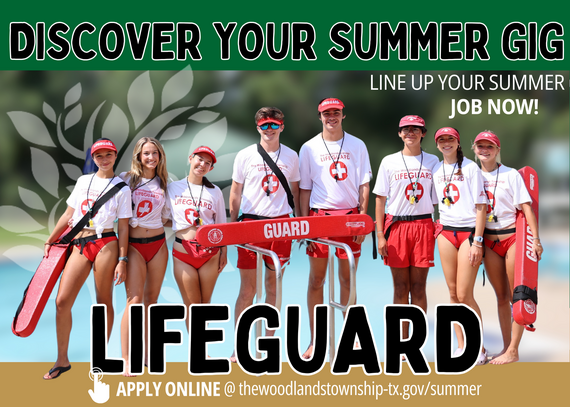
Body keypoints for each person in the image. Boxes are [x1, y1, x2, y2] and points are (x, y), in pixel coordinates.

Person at [43, 138, 132, 380]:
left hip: (106, 244)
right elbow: (68, 213)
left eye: (108, 155)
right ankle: (62, 360)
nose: (104, 159)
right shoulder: (83, 181)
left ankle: (99, 358)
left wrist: (123, 259)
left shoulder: (122, 188)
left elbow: (123, 227)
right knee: (62, 302)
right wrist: (51, 239)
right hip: (79, 243)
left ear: (115, 156)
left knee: (103, 302)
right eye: (99, 156)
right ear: (93, 159)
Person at [299, 98, 372, 359]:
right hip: (319, 218)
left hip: (350, 218)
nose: (331, 117)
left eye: (336, 113)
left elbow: (364, 185)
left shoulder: (357, 144)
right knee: (317, 280)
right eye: (326, 113)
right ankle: (315, 340)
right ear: (319, 116)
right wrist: (303, 224)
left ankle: (349, 337)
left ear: (343, 115)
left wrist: (363, 220)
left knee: (347, 279)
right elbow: (304, 189)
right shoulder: (308, 147)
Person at [229, 107, 300, 361]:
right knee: (247, 290)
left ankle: (267, 344)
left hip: (281, 226)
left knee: (273, 286)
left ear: (282, 126)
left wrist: (300, 225)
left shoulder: (292, 156)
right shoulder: (245, 155)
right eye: (264, 125)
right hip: (250, 225)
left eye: (274, 125)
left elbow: (296, 192)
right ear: (257, 127)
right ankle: (240, 347)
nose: (269, 130)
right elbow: (235, 192)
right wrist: (231, 225)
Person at [472, 131, 543, 365]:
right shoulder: (472, 176)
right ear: (474, 149)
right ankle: (505, 347)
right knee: (501, 296)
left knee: (516, 296)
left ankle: (514, 350)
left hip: (512, 238)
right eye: (480, 146)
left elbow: (526, 208)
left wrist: (536, 239)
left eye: (489, 146)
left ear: (497, 149)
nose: (485, 149)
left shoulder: (510, 175)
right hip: (490, 242)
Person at [373, 115, 438, 346]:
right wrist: (380, 234)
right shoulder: (389, 161)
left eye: (416, 129)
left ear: (423, 133)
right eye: (406, 129)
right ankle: (400, 340)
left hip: (423, 226)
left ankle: (416, 341)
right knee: (400, 287)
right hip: (397, 227)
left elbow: (446, 194)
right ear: (399, 133)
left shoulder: (433, 162)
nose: (411, 132)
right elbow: (380, 200)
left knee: (419, 287)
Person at [432, 127, 488, 365]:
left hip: (468, 234)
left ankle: (480, 347)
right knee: (453, 294)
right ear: (436, 144)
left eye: (450, 139)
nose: (446, 143)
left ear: (457, 142)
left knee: (465, 294)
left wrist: (478, 241)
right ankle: (462, 345)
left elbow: (481, 206)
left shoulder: (470, 168)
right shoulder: (436, 169)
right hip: (445, 232)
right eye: (442, 140)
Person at [119, 137, 170, 376]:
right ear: (138, 156)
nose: (151, 158)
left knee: (152, 301)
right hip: (135, 247)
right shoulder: (125, 180)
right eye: (146, 153)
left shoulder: (165, 182)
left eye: (155, 153)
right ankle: (127, 358)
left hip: (159, 245)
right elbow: (106, 206)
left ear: (160, 156)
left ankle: (149, 354)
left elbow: (169, 217)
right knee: (134, 301)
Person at [166, 146, 227, 328]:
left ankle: (203, 352)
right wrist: (181, 225)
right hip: (183, 252)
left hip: (210, 254)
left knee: (204, 305)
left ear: (211, 169)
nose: (202, 164)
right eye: (199, 159)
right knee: (191, 305)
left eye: (207, 163)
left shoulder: (214, 191)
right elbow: (163, 218)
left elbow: (221, 225)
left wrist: (223, 252)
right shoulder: (172, 187)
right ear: (190, 158)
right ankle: (198, 353)